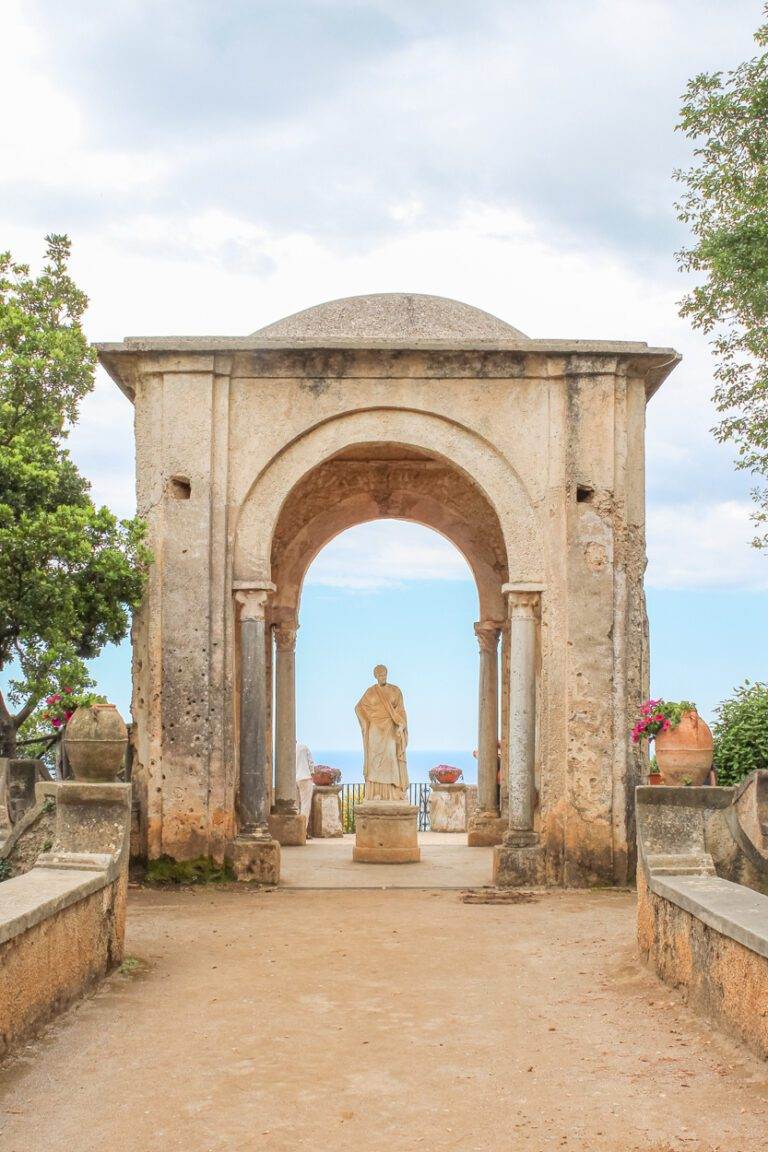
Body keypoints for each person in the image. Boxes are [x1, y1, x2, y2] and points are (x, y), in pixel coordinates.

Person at [355, 664, 408, 801]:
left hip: (389, 728)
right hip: (374, 730)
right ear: (376, 676)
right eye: (380, 675)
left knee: (391, 758)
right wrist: (366, 722)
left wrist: (401, 726)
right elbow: (359, 707)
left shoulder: (395, 691)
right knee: (374, 761)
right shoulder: (370, 692)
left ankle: (392, 793)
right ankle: (375, 793)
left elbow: (401, 711)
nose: (383, 677)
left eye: (384, 674)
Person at [296, 741, 315, 829]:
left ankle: (296, 828)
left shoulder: (288, 750)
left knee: (295, 806)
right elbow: (311, 762)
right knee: (305, 805)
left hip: (294, 780)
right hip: (305, 777)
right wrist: (312, 774)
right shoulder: (303, 747)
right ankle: (303, 829)